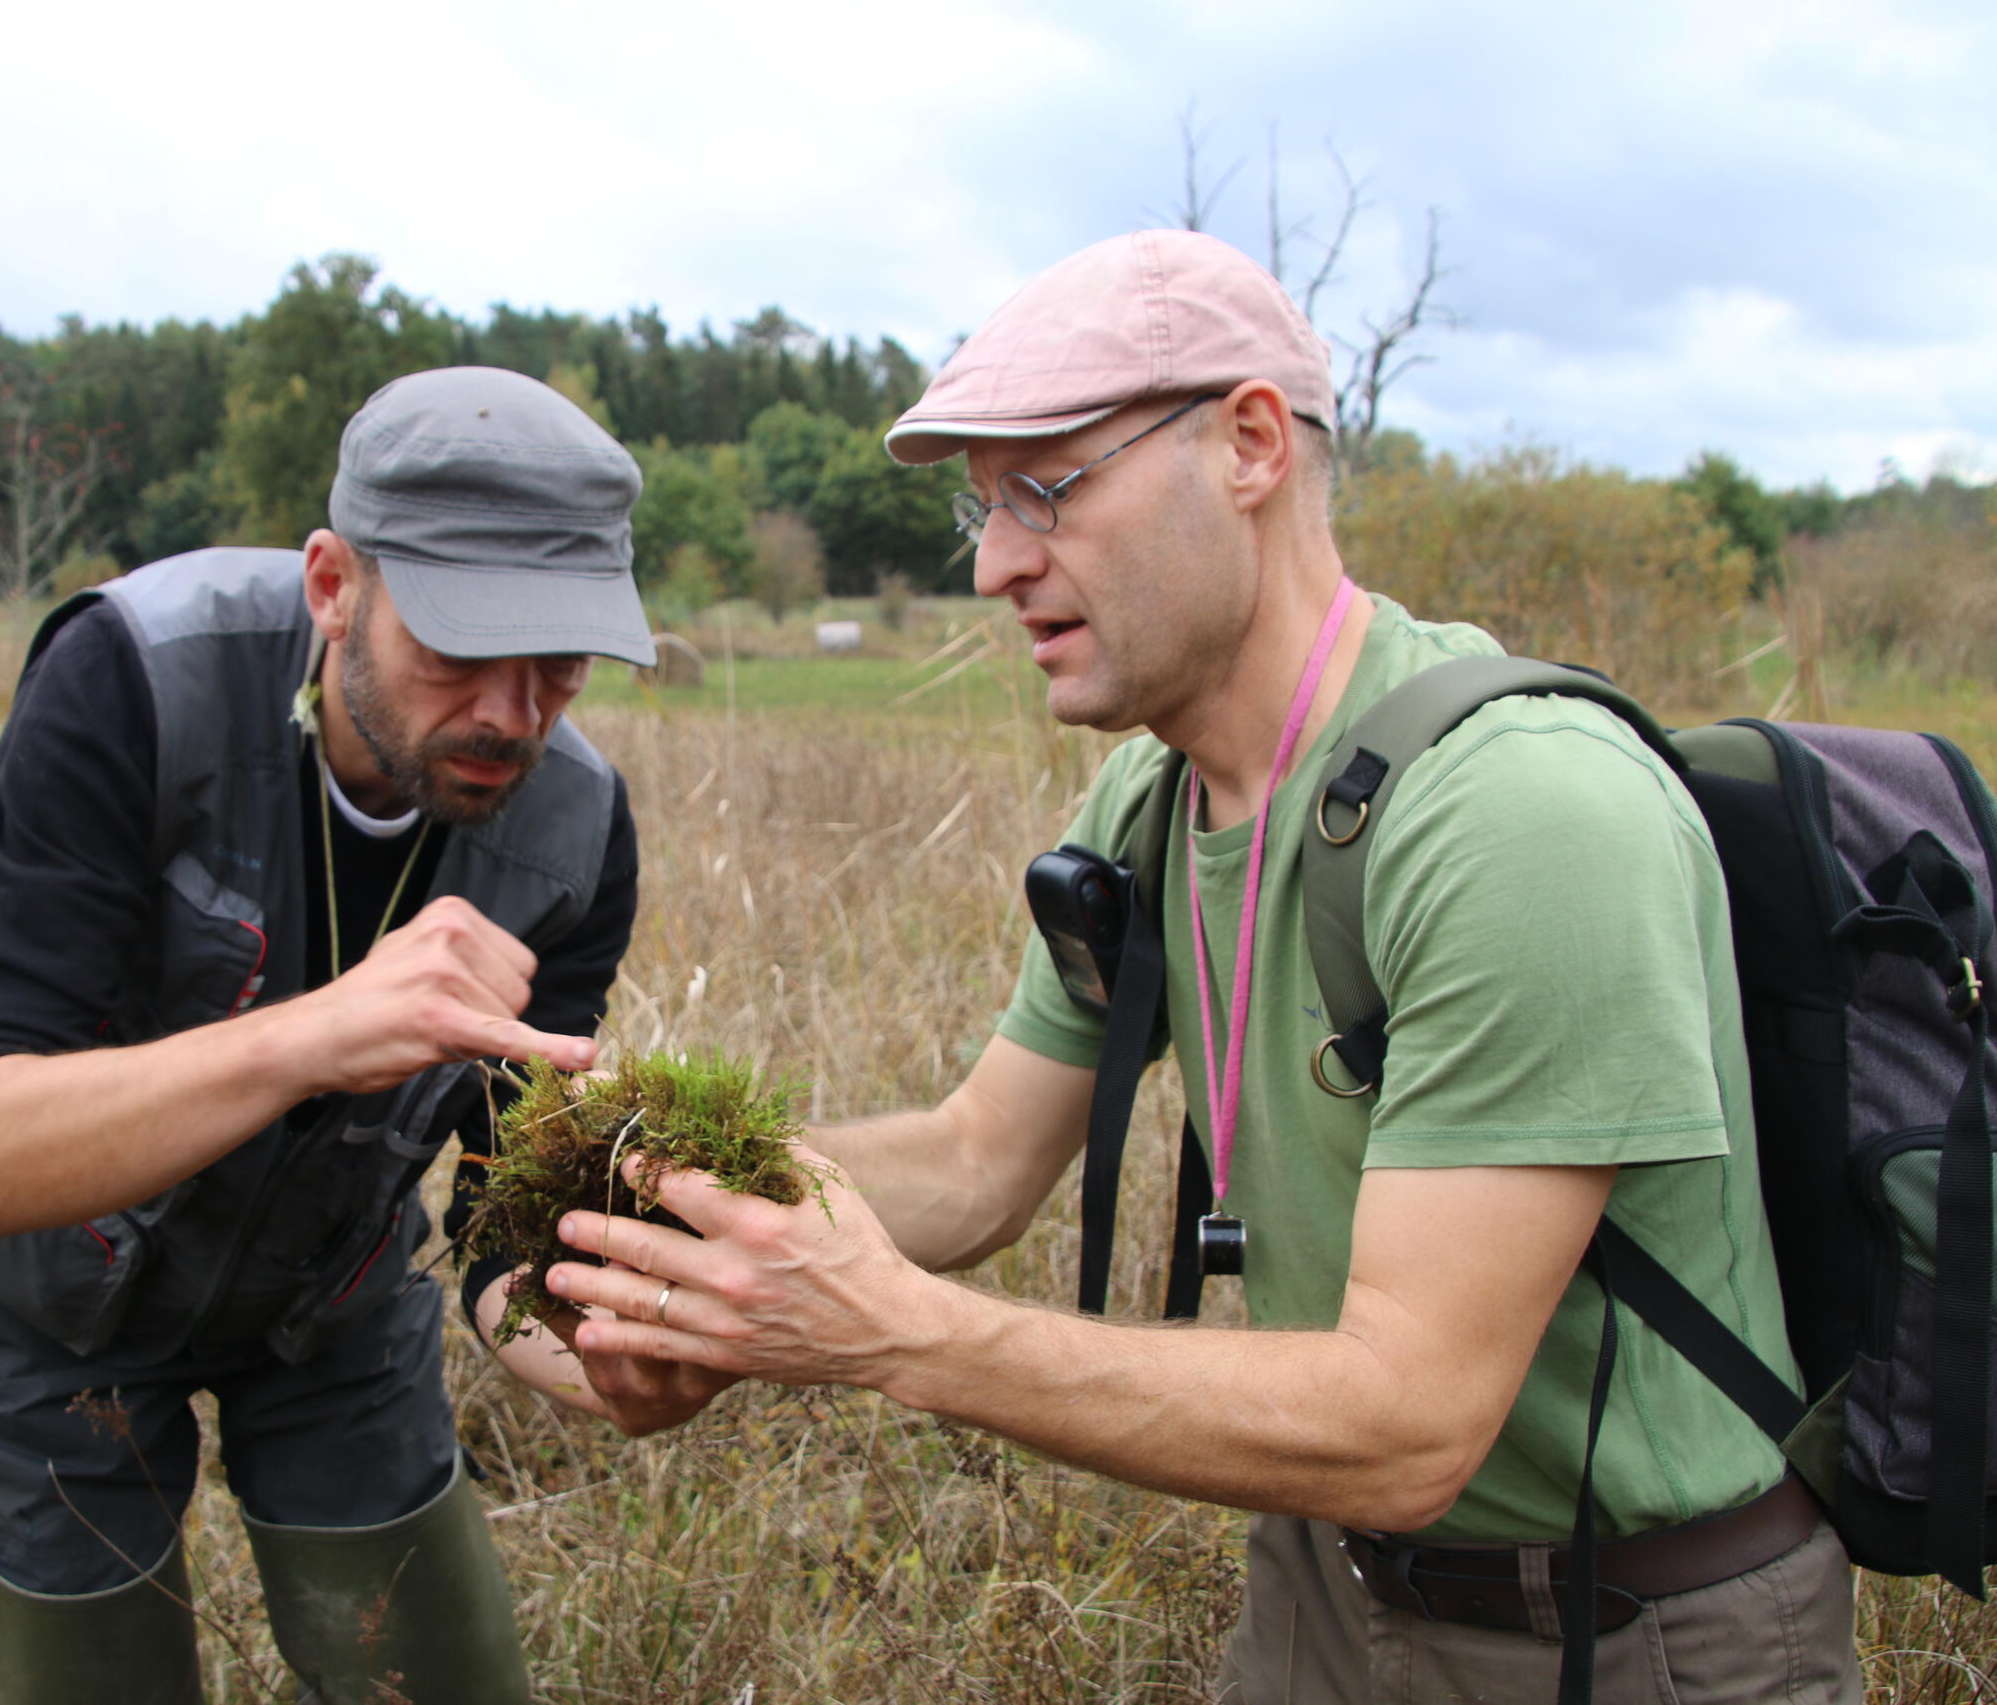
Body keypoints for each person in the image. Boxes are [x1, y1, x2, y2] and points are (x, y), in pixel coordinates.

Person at [543, 233, 1861, 1701]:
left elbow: (1410, 1419)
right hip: (1322, 1588)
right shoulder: (1154, 802)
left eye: (1047, 490)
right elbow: (978, 1161)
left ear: (1249, 445)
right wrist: (663, 1209)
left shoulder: (1519, 813)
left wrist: (895, 1336)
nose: (993, 564)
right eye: (980, 508)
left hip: (1628, 1631)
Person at [0, 366, 729, 1705]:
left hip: (333, 1307)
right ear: (334, 587)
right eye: (459, 648)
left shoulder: (573, 834)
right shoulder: (136, 681)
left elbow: (500, 1215)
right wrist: (317, 1034)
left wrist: (586, 1356)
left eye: (560, 661)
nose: (511, 716)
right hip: (56, 1307)